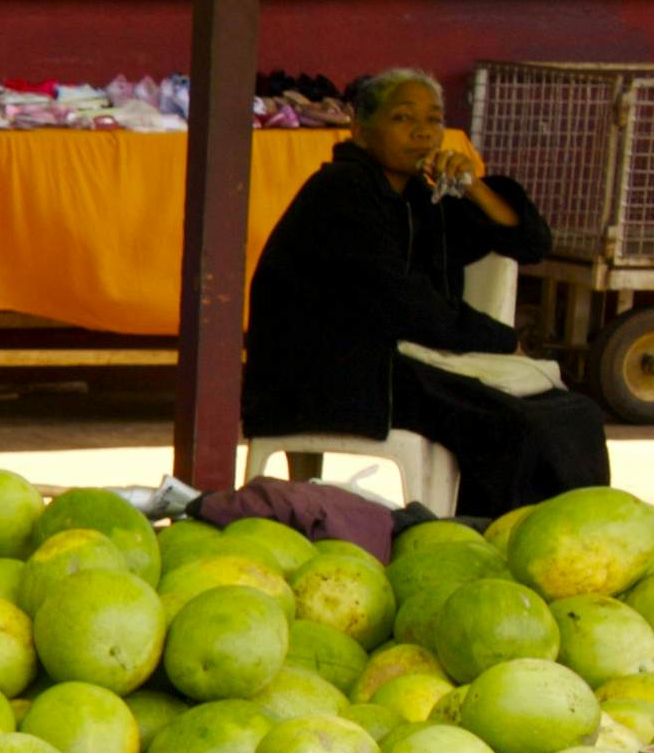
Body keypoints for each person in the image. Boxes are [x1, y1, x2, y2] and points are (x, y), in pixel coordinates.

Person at [244, 68, 604, 520]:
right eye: (402, 118)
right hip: (327, 375)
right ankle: (490, 539)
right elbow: (403, 302)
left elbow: (529, 244)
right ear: (360, 128)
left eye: (434, 120)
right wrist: (501, 340)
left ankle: (576, 538)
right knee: (512, 426)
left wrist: (473, 188)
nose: (422, 132)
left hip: (391, 361)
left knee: (575, 414)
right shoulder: (341, 193)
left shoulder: (420, 197)